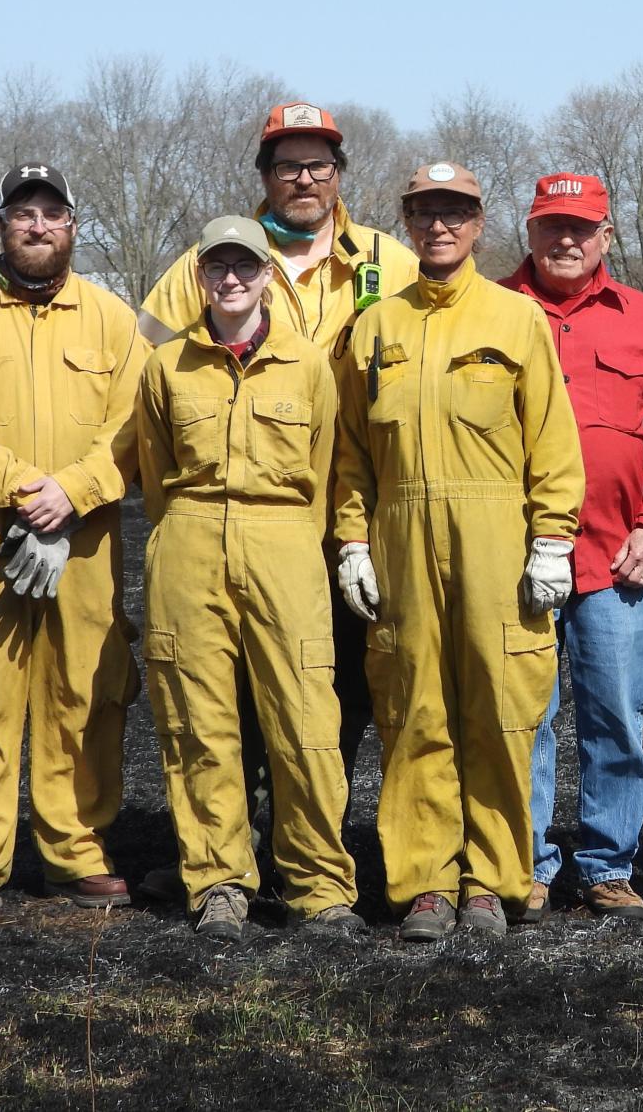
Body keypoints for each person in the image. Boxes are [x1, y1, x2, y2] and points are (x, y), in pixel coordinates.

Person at [136, 102, 418, 825]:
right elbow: (147, 382)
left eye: (318, 164)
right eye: (287, 165)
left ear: (339, 174)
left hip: (360, 511)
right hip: (244, 516)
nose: (303, 178)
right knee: (228, 689)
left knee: (345, 687)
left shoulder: (393, 263)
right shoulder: (209, 265)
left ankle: (322, 836)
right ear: (264, 175)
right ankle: (241, 841)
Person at [333, 162, 585, 940]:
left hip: (496, 550)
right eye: (425, 212)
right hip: (402, 546)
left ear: (479, 224)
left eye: (456, 212)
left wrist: (552, 539)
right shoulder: (374, 328)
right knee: (414, 716)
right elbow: (350, 453)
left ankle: (492, 883)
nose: (439, 226)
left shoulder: (516, 320)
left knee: (500, 713)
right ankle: (426, 886)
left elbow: (553, 441)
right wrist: (351, 541)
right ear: (407, 223)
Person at [0, 164, 143, 927]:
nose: (39, 226)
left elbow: (131, 430)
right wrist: (25, 492)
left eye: (53, 214)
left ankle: (77, 850)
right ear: (1, 227)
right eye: (25, 214)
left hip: (87, 543)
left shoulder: (113, 320)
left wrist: (73, 496)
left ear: (74, 227)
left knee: (85, 696)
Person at [139, 216, 363, 941]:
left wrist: (298, 542)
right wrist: (189, 535)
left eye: (245, 266)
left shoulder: (308, 366)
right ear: (199, 276)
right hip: (190, 539)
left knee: (305, 720)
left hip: (285, 542)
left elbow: (324, 467)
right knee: (199, 723)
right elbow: (152, 472)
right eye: (217, 267)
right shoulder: (166, 366)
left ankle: (318, 886)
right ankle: (219, 884)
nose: (230, 279)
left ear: (269, 275)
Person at [500, 174, 643, 924]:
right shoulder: (495, 312)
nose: (566, 240)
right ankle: (528, 864)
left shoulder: (642, 318)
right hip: (515, 559)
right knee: (523, 718)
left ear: (607, 236)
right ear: (529, 232)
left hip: (616, 559)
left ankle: (607, 864)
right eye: (551, 226)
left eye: (582, 227)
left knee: (615, 717)